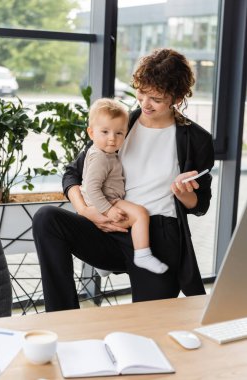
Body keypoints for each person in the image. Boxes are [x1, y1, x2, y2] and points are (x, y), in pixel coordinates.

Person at [33, 48, 214, 312]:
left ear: (176, 97)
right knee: (47, 219)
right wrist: (87, 211)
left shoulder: (196, 139)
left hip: (159, 240)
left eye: (156, 98)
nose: (146, 104)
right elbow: (72, 173)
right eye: (141, 93)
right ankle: (62, 319)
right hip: (112, 227)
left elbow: (200, 205)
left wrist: (183, 192)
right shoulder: (123, 123)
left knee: (148, 326)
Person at [81, 98, 168, 275]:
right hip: (105, 201)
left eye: (119, 133)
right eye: (105, 132)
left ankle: (102, 263)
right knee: (140, 214)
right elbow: (91, 188)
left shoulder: (106, 153)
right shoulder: (100, 158)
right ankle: (142, 254)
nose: (112, 139)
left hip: (108, 199)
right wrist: (107, 210)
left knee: (123, 222)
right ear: (91, 133)